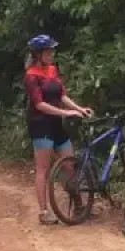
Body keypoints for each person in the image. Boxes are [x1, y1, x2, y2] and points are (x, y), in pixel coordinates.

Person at [23, 34, 94, 224]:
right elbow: (39, 104)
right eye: (48, 51)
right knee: (43, 169)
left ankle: (79, 204)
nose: (52, 54)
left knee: (69, 164)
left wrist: (78, 109)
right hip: (40, 124)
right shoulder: (31, 76)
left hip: (57, 123)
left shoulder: (53, 70)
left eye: (52, 50)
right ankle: (44, 212)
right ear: (38, 54)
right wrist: (65, 114)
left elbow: (62, 95)